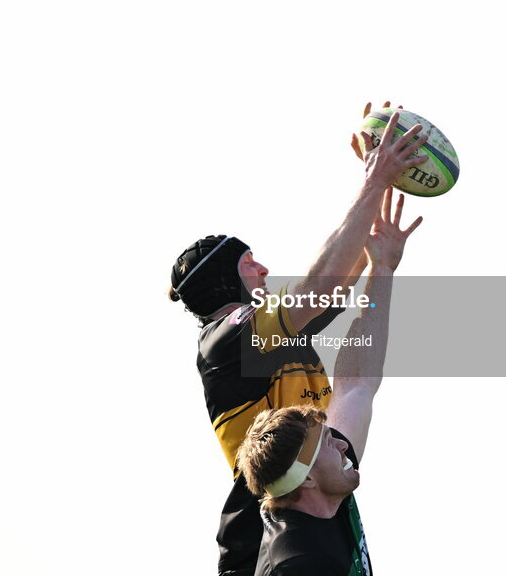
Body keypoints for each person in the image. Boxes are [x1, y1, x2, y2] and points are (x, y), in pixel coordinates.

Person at [168, 107, 428, 576]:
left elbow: (355, 377)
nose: (264, 269)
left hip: (307, 506)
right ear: (224, 281)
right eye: (250, 262)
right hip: (261, 544)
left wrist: (380, 266)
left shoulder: (317, 437)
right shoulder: (225, 345)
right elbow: (321, 287)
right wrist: (372, 182)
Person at [236, 188, 420, 576]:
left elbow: (355, 383)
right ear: (306, 481)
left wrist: (381, 269)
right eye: (326, 441)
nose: (341, 441)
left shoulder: (321, 486)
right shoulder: (301, 563)